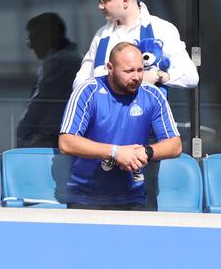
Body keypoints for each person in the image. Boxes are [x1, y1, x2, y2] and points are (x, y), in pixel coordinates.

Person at [59, 42, 182, 210]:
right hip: (85, 197)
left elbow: (175, 145)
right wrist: (116, 152)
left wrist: (146, 152)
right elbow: (66, 142)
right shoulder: (88, 91)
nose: (136, 76)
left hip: (133, 196)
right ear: (110, 68)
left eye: (140, 70)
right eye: (128, 71)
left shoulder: (153, 95)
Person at [73, 0, 198, 91]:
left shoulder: (161, 29)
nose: (100, 6)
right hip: (106, 111)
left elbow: (190, 76)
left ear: (125, 0)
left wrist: (158, 76)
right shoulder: (101, 35)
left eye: (104, 1)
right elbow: (81, 80)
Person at [16, 13, 82, 148]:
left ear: (51, 36)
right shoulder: (72, 59)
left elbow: (40, 106)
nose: (31, 46)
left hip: (51, 140)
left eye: (34, 38)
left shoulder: (60, 62)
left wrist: (23, 136)